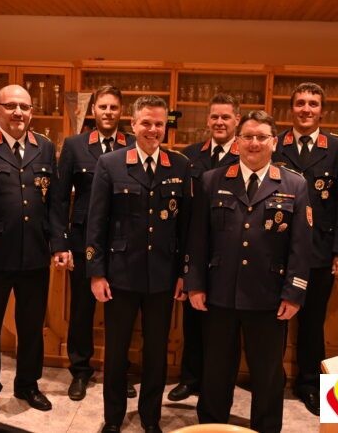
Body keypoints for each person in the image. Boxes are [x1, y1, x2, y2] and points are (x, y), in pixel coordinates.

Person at [186, 110, 312, 433]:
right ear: (237, 142)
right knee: (216, 370)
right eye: (248, 137)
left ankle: (266, 428)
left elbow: (301, 246)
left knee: (268, 374)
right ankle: (211, 427)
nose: (254, 143)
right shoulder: (212, 180)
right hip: (220, 293)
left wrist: (294, 293)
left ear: (274, 142)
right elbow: (198, 238)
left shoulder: (294, 184)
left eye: (261, 137)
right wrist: (195, 283)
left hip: (269, 296)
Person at [85, 96, 191, 433]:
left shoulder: (179, 165)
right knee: (116, 353)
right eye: (146, 122)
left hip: (162, 276)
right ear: (132, 125)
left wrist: (184, 274)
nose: (153, 130)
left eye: (159, 124)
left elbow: (185, 227)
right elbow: (96, 223)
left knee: (156, 353)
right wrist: (96, 273)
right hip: (120, 275)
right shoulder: (111, 163)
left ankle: (150, 418)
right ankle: (113, 418)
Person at [0, 85, 69, 420]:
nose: (18, 113)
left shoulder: (44, 147)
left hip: (35, 254)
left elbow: (54, 202)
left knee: (31, 326)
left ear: (31, 112)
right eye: (10, 106)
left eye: (24, 107)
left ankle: (27, 385)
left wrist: (58, 243)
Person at [272, 82, 338, 415]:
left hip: (319, 249)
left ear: (322, 110)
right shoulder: (275, 144)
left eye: (313, 103)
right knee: (274, 318)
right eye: (301, 103)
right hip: (277, 248)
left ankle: (309, 383)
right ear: (291, 108)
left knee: (312, 321)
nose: (306, 109)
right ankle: (271, 378)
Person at [57, 85, 137, 401]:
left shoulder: (133, 145)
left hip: (121, 243)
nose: (108, 112)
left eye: (113, 107)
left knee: (122, 313)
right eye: (103, 106)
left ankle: (119, 370)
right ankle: (80, 371)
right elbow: (60, 198)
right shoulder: (75, 146)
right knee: (81, 309)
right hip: (82, 241)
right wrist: (61, 242)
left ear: (121, 111)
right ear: (93, 110)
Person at [168, 93, 241, 402]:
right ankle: (190, 379)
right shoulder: (190, 155)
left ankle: (218, 384)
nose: (219, 122)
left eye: (226, 117)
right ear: (208, 120)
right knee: (192, 319)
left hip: (229, 250)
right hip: (195, 247)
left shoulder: (246, 153)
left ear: (237, 120)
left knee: (224, 325)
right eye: (215, 117)